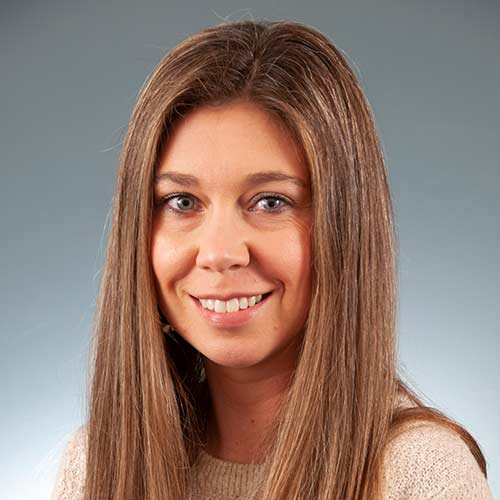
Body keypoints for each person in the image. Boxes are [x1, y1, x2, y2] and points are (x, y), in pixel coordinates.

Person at [51, 19, 493, 500]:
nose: (219, 254)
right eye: (181, 201)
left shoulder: (421, 477)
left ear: (345, 227)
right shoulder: (96, 465)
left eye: (270, 202)